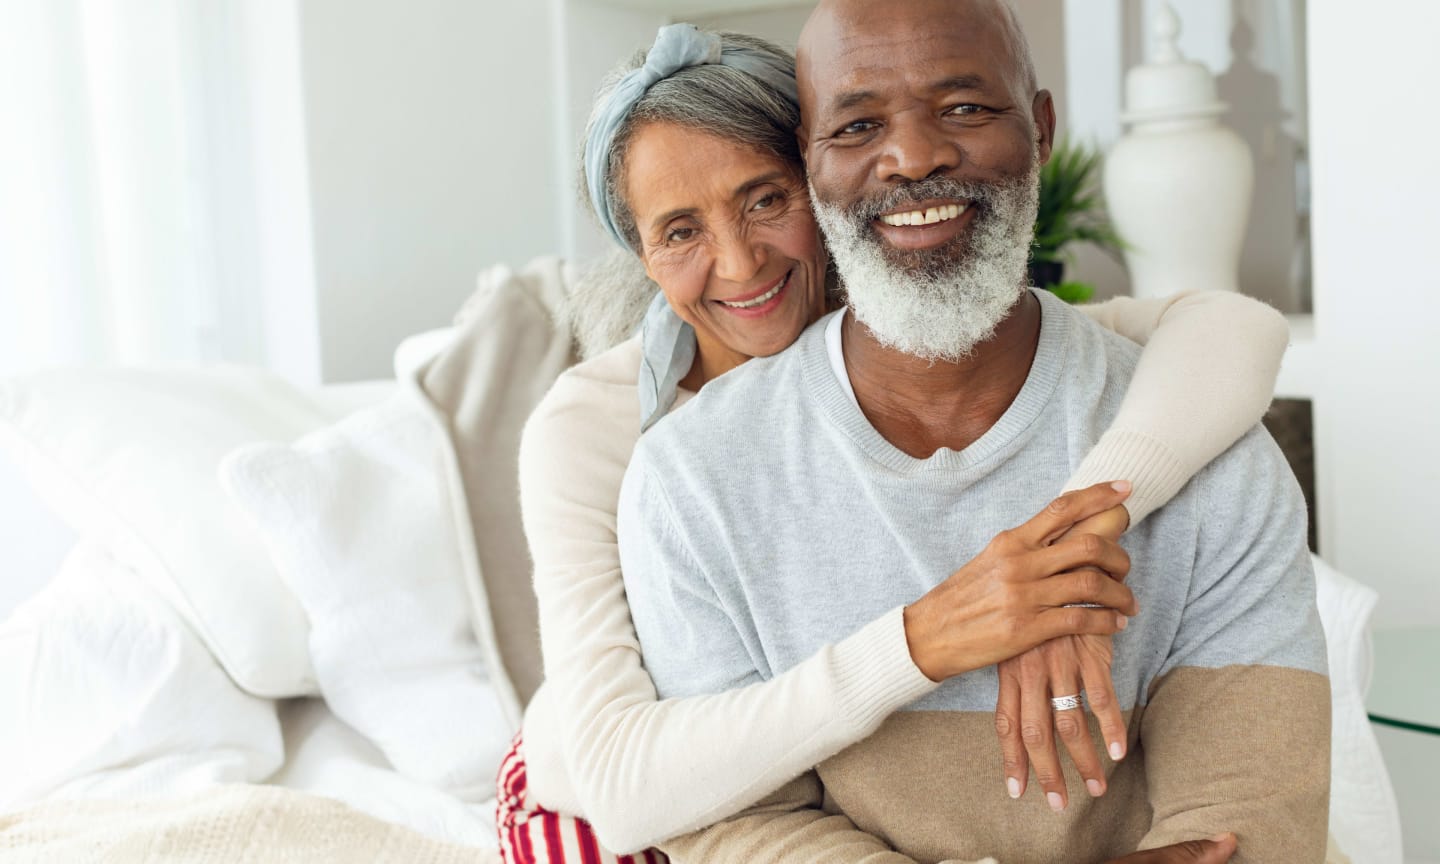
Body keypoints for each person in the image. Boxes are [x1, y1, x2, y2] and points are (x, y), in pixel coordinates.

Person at [497, 19, 1295, 864]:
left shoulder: (922, 323)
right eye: (680, 231)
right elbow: (625, 785)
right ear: (642, 255)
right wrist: (931, 636)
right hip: (600, 788)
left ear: (814, 177)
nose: (739, 265)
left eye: (766, 199)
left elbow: (1226, 330)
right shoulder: (595, 426)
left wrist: (1071, 541)